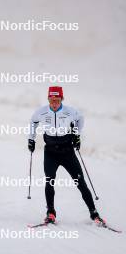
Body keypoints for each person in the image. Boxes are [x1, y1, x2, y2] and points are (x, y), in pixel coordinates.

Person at [28, 86, 104, 224]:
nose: (54, 103)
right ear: (48, 99)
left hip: (67, 152)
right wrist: (31, 139)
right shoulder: (41, 112)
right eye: (52, 100)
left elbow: (80, 119)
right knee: (49, 182)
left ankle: (94, 214)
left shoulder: (70, 111)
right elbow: (33, 122)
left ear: (62, 99)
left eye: (57, 100)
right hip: (50, 152)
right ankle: (51, 213)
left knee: (80, 182)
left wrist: (77, 135)